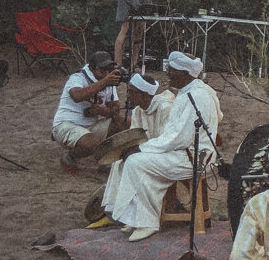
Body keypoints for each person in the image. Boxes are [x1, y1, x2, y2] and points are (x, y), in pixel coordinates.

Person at [106, 51, 222, 241]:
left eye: (171, 70)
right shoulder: (190, 92)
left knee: (136, 161)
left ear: (184, 74)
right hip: (183, 152)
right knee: (132, 160)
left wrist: (143, 148)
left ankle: (147, 222)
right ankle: (137, 217)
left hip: (194, 158)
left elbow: (178, 137)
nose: (167, 73)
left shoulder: (198, 96)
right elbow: (175, 136)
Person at [87, 72, 171, 229]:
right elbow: (134, 136)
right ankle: (115, 213)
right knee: (120, 162)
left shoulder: (165, 108)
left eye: (132, 92)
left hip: (164, 154)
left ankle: (136, 216)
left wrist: (141, 151)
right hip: (147, 151)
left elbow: (167, 141)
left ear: (145, 94)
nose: (128, 95)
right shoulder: (139, 110)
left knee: (133, 162)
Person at [51, 50, 125, 164]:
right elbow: (77, 96)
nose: (106, 73)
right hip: (66, 124)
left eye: (108, 69)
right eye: (102, 70)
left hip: (90, 127)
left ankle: (106, 159)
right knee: (92, 143)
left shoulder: (108, 80)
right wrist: (105, 82)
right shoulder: (77, 77)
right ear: (91, 68)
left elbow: (115, 110)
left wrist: (101, 110)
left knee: (123, 121)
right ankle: (70, 157)